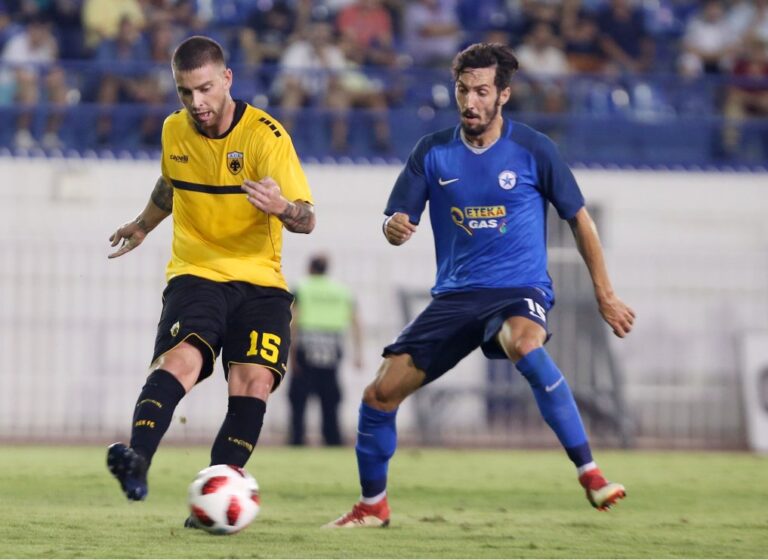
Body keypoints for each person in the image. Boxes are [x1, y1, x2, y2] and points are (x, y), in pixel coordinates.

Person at [325, 42, 635, 528]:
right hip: (455, 297)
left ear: (504, 95)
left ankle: (590, 473)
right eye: (463, 90)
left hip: (518, 289)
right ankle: (372, 506)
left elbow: (579, 219)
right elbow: (395, 218)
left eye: (482, 92)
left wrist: (606, 294)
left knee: (525, 344)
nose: (470, 102)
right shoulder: (432, 151)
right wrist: (393, 228)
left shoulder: (534, 148)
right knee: (378, 397)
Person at [104, 36, 315, 512]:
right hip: (196, 272)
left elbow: (307, 219)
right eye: (185, 92)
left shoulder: (266, 137)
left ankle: (218, 496)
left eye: (204, 89)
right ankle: (137, 459)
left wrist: (282, 207)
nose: (196, 102)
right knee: (181, 360)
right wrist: (142, 225)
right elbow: (170, 184)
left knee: (254, 382)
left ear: (227, 79)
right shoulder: (173, 130)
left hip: (261, 282)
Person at [288, 254, 363, 446]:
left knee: (299, 395)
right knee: (330, 395)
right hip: (333, 345)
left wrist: (290, 353)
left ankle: (297, 439)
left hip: (307, 345)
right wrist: (358, 353)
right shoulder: (342, 291)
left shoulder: (302, 288)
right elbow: (355, 322)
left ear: (310, 268)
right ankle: (332, 438)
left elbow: (294, 321)